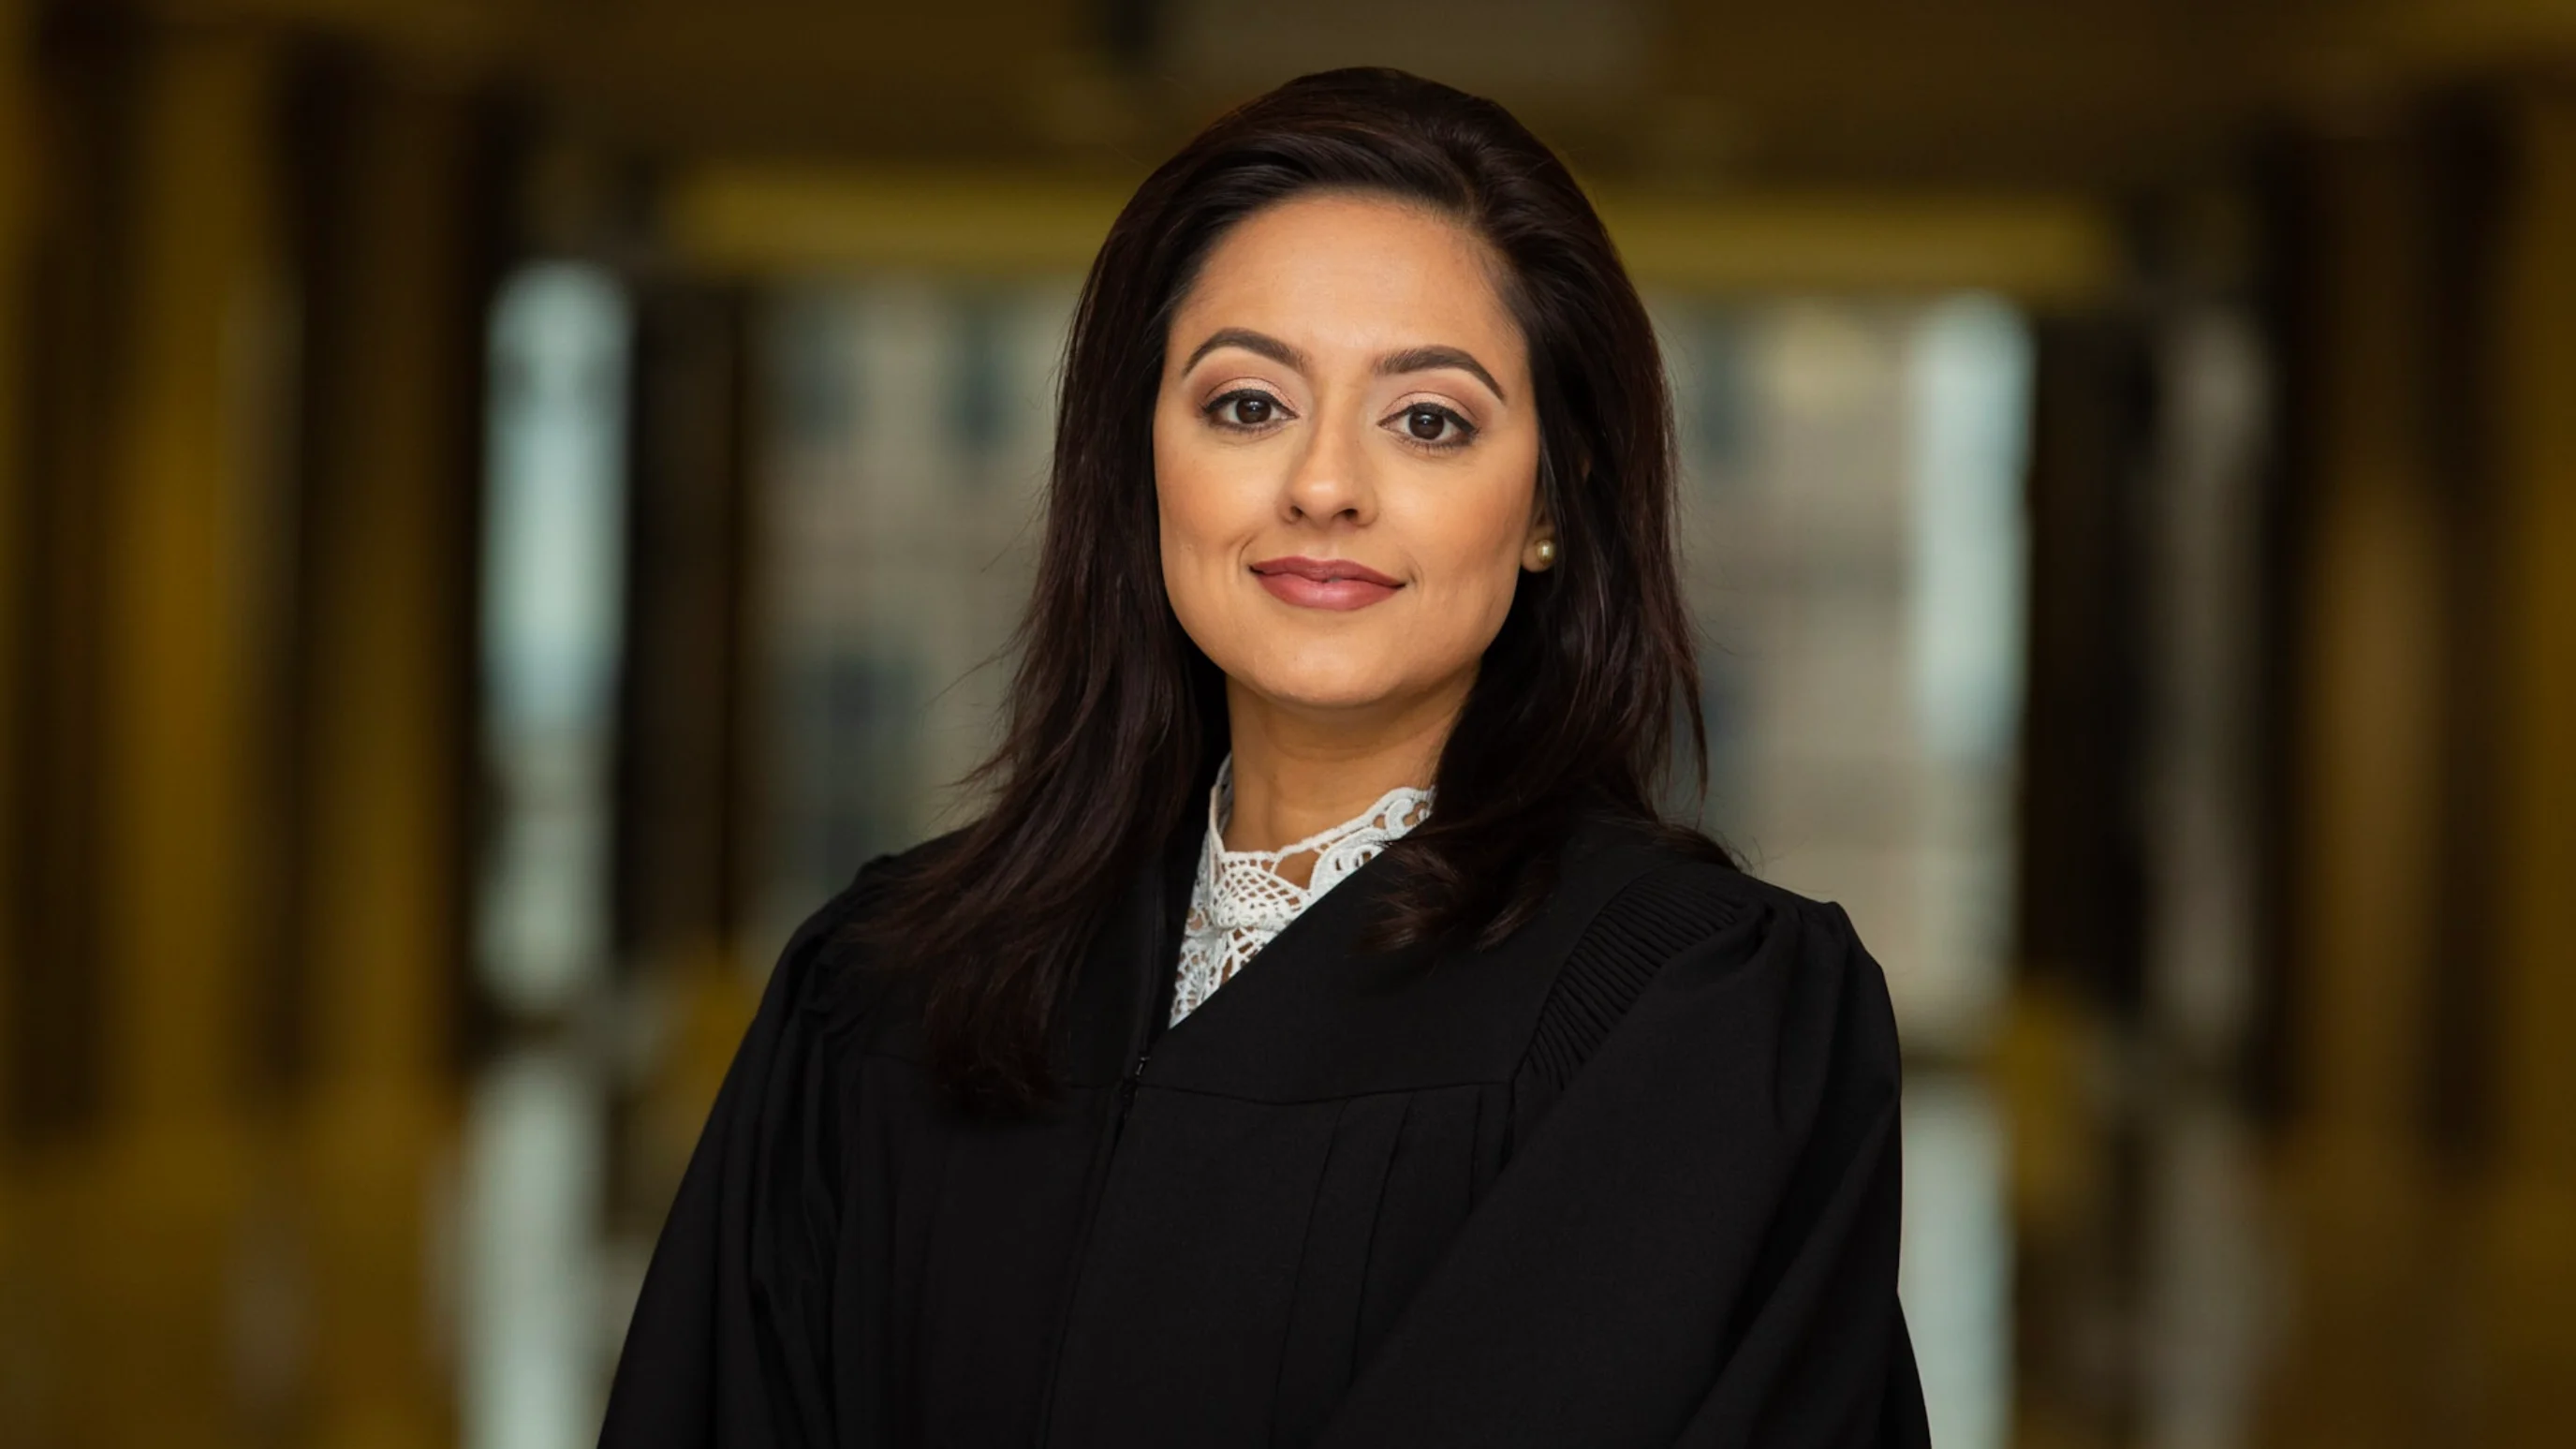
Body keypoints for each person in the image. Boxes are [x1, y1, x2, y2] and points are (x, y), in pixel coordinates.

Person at [600, 67, 1929, 1448]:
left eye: (1430, 419)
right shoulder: (884, 990)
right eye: (1247, 405)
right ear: (1140, 460)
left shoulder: (1701, 1022)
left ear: (1552, 499)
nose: (1324, 485)